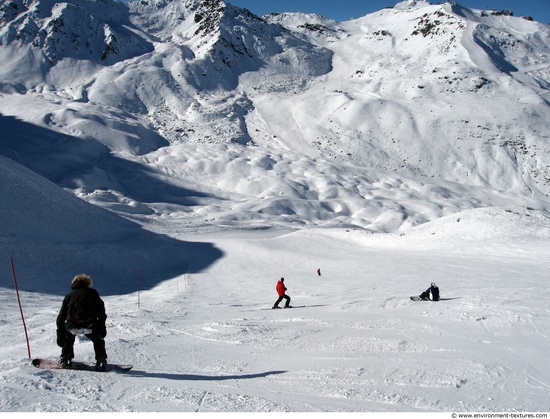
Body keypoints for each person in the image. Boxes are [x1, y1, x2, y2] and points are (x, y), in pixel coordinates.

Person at [56, 274, 108, 371]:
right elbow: (101, 312)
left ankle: (66, 359)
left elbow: (61, 316)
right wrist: (102, 328)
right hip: (89, 325)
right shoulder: (92, 293)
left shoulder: (69, 295)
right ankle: (101, 361)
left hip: (72, 325)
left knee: (68, 339)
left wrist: (60, 334)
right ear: (88, 283)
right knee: (98, 340)